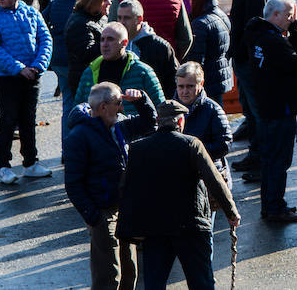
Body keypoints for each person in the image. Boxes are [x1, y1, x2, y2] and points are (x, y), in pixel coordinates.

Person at [117, 97, 238, 290]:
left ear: (158, 121)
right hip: (191, 225)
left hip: (154, 228)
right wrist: (231, 212)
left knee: (154, 284)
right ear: (181, 121)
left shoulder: (138, 149)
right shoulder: (192, 144)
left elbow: (126, 187)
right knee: (201, 282)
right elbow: (214, 180)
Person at [63, 83, 156, 290]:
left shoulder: (120, 124)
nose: (122, 107)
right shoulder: (79, 137)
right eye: (119, 103)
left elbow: (151, 124)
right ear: (104, 107)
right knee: (109, 273)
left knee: (129, 268)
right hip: (102, 210)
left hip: (124, 207)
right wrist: (93, 216)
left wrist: (141, 100)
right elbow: (73, 183)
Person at [0, 0, 52, 185]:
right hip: (7, 78)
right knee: (7, 120)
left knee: (28, 120)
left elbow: (45, 39)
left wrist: (39, 65)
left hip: (32, 75)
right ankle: (3, 165)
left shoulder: (32, 13)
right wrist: (19, 68)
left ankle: (31, 162)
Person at [245, 0, 297, 222]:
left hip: (267, 106)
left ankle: (272, 204)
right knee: (278, 161)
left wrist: (295, 27)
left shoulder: (258, 33)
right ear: (275, 14)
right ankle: (274, 208)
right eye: (289, 15)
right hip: (280, 109)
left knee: (271, 160)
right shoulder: (272, 41)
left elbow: (292, 49)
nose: (291, 20)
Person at [227, 0, 275, 174]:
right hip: (244, 58)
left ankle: (260, 158)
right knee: (250, 109)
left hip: (251, 62)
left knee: (257, 111)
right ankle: (255, 154)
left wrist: (245, 55)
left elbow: (253, 28)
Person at [72, 21, 165, 112]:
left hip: (132, 127)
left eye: (110, 39)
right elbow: (77, 111)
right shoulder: (89, 72)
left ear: (124, 43)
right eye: (102, 39)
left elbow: (161, 108)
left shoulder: (143, 72)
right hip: (95, 127)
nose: (105, 44)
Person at [175, 61, 233, 177]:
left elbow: (224, 145)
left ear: (201, 83)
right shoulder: (170, 109)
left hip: (208, 172)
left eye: (190, 86)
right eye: (181, 86)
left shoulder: (213, 110)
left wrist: (194, 152)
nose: (185, 91)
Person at [117, 0, 177, 100]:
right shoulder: (114, 42)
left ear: (139, 19)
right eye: (119, 18)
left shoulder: (160, 47)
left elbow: (172, 83)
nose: (122, 22)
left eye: (126, 18)